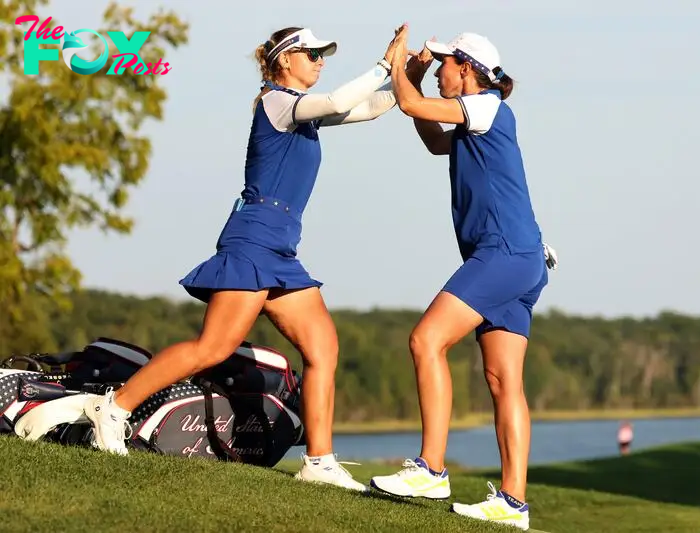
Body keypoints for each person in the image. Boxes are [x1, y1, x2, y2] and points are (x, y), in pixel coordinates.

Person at [82, 24, 408, 492]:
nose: (320, 60)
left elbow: (373, 107)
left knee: (323, 349)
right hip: (253, 240)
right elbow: (338, 100)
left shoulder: (304, 114)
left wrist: (402, 75)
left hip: (279, 249)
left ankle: (318, 460)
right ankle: (112, 409)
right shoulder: (276, 102)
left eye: (322, 55)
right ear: (284, 61)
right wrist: (381, 64)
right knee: (211, 348)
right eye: (311, 53)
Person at [369, 30, 557, 530]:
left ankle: (431, 468)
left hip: (504, 254)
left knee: (426, 339)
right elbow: (432, 137)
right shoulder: (474, 118)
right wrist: (410, 75)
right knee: (502, 380)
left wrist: (399, 67)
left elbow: (412, 106)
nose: (439, 71)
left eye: (445, 65)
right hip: (521, 258)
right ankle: (513, 505)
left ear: (467, 69)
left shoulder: (489, 106)